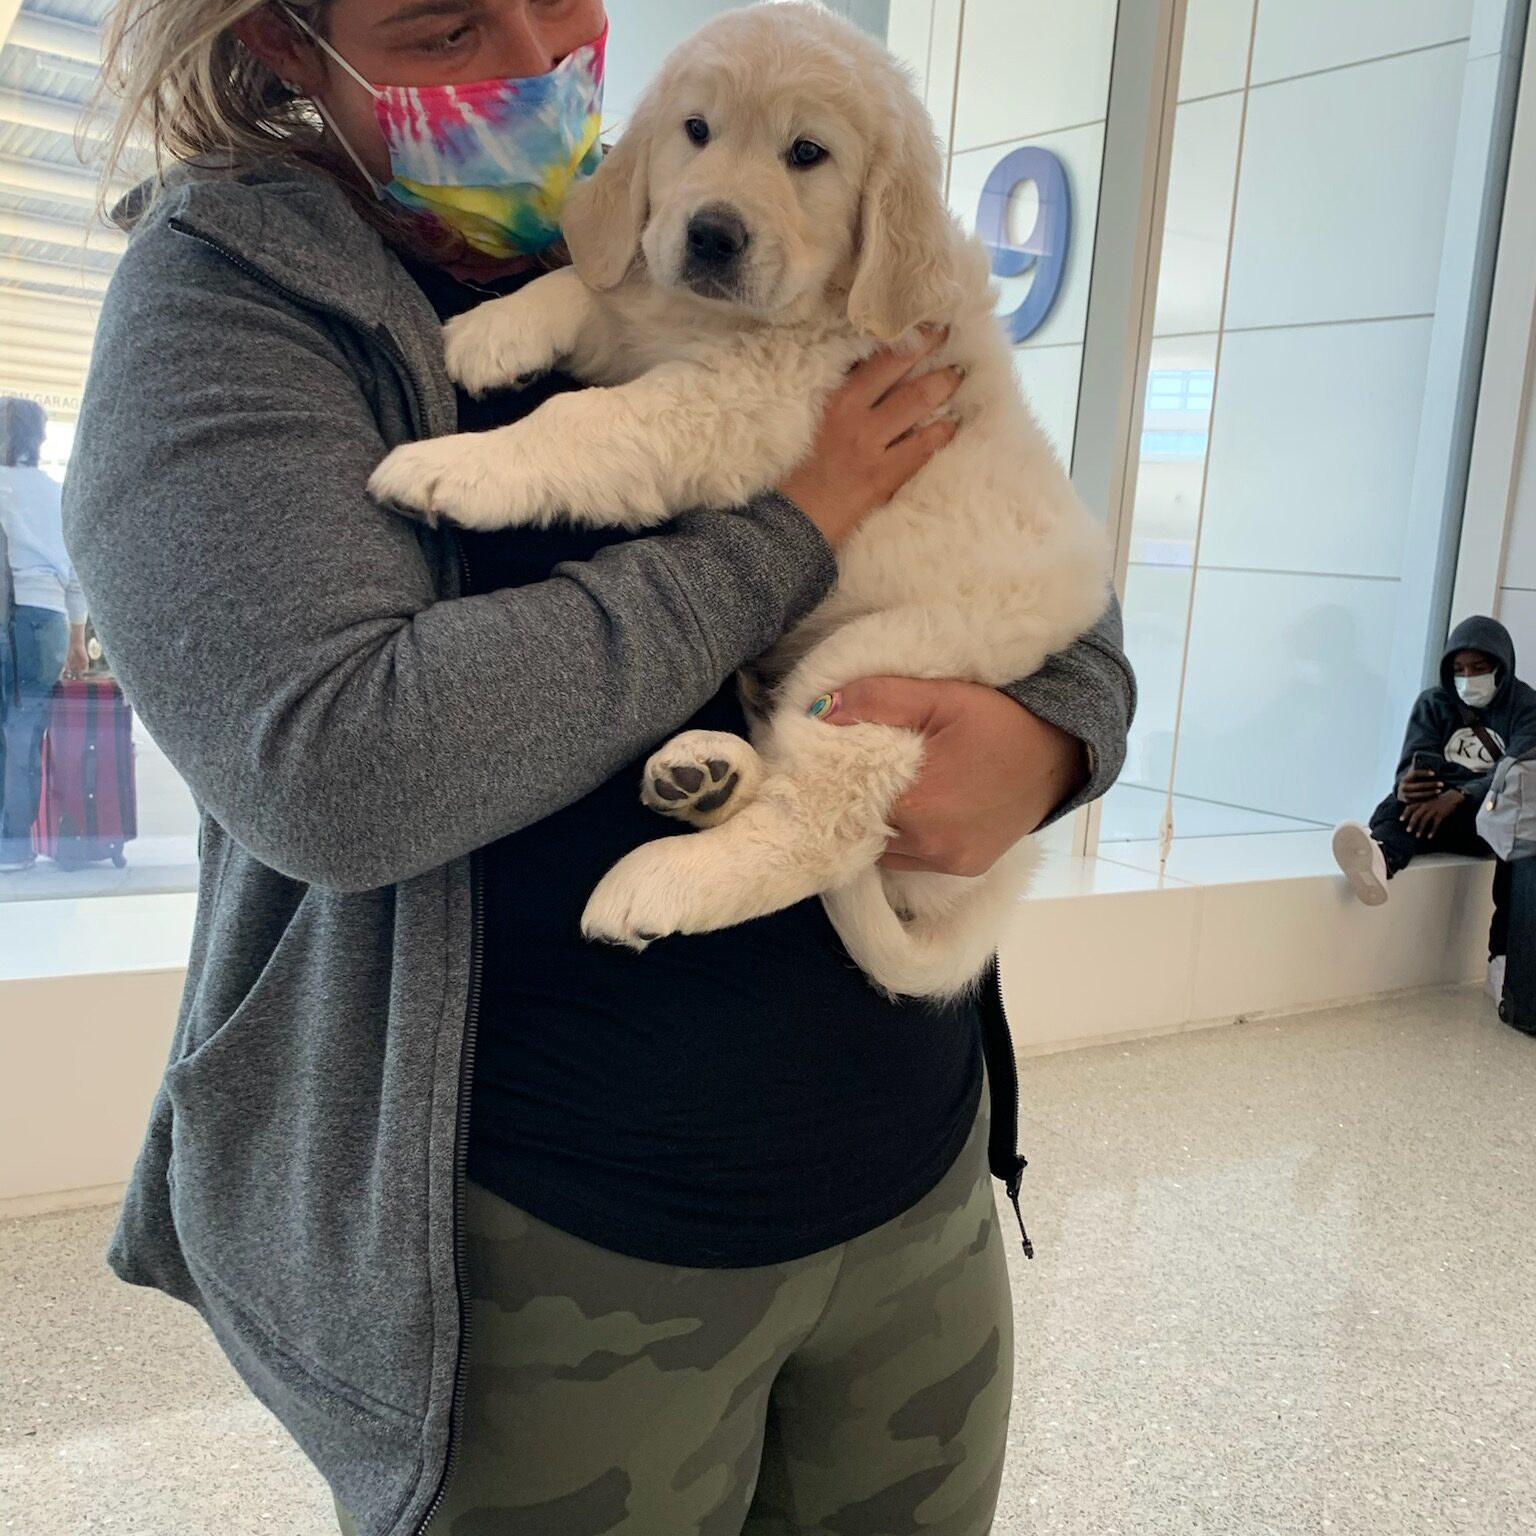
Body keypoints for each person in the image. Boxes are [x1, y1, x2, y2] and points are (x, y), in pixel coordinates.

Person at [76, 2, 1135, 1532]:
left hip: (909, 1176)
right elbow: (337, 768)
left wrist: (1056, 745)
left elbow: (1020, 532)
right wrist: (786, 535)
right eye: (444, 20)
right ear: (286, 48)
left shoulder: (698, 202)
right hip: (546, 1256)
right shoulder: (226, 309)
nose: (529, 49)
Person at [1332, 616, 1536, 988]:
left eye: (1478, 668)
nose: (1467, 677)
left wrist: (1459, 794)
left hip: (1492, 817)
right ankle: (1380, 857)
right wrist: (1408, 784)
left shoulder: (1526, 707)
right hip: (1438, 809)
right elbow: (1414, 759)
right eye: (1458, 669)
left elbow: (1516, 772)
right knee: (1399, 804)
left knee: (1515, 818)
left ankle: (1502, 961)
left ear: (1501, 666)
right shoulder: (1433, 703)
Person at [0, 398, 90, 873]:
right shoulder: (57, 493)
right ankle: (15, 847)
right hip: (50, 618)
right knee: (27, 732)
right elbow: (77, 574)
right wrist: (77, 638)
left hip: (8, 613)